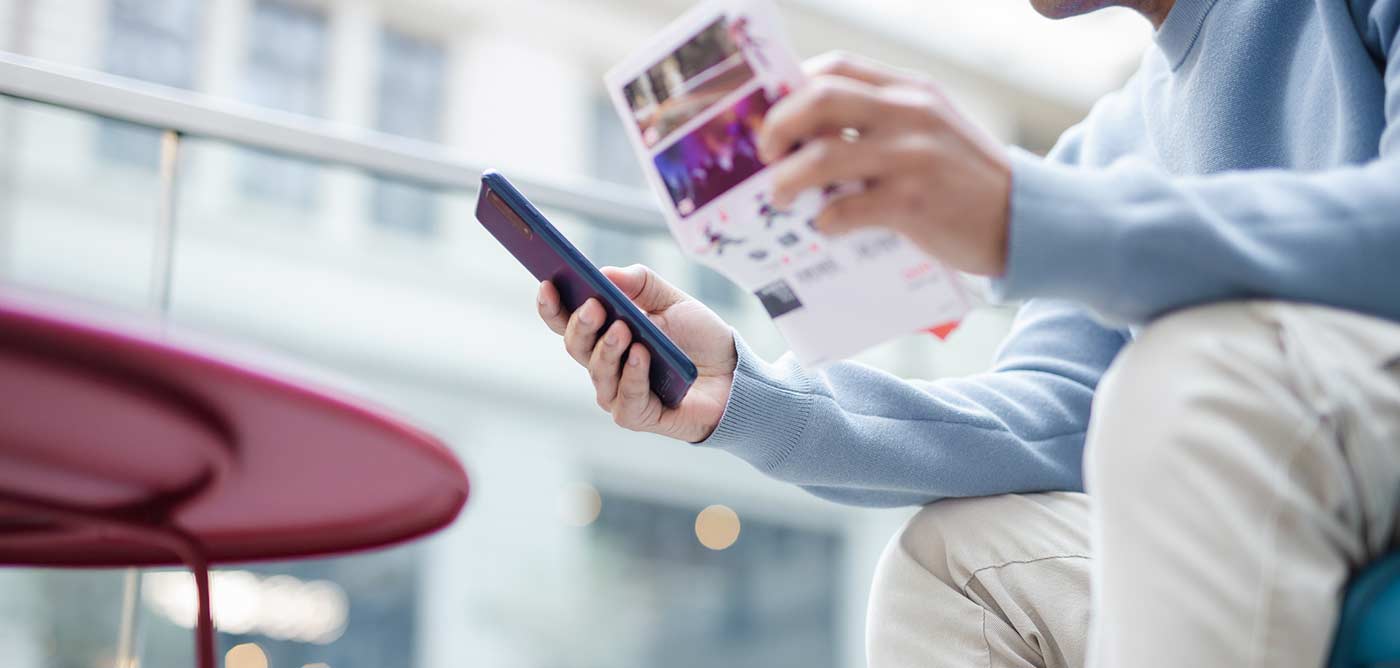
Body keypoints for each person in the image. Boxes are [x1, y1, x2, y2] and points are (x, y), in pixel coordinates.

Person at [535, 1, 1400, 666]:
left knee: (1192, 370)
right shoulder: (1107, 144)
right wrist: (751, 396)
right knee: (954, 562)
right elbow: (1057, 415)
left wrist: (1029, 217)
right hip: (1266, 468)